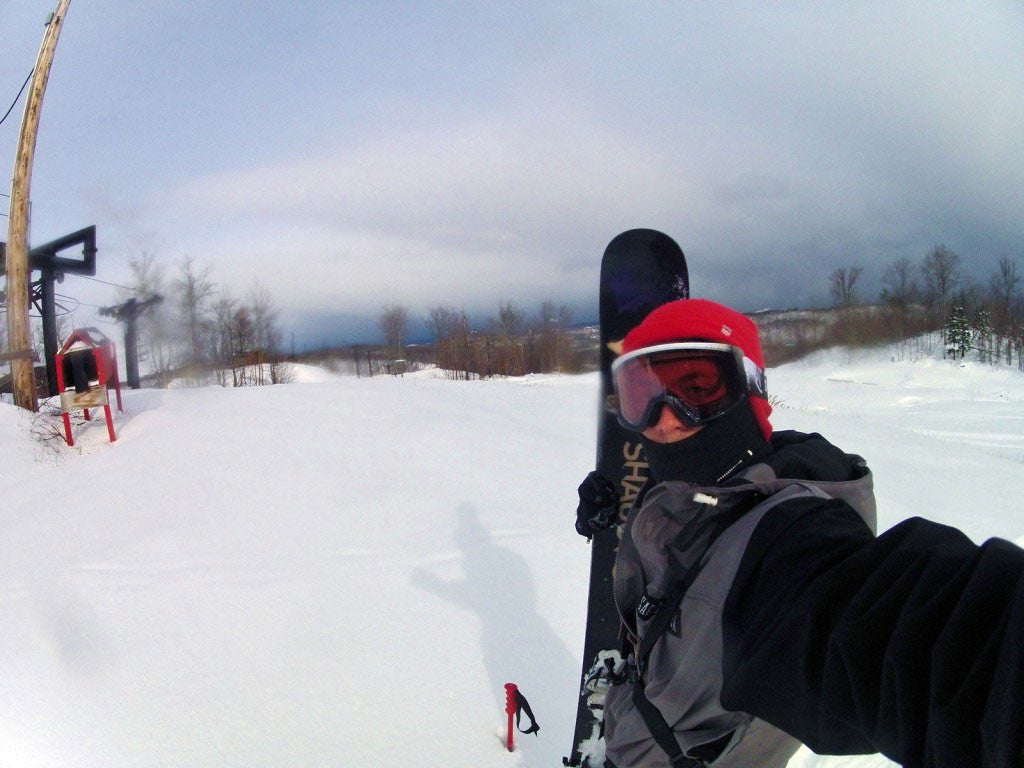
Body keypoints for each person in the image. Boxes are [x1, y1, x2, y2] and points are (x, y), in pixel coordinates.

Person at [575, 298, 1024, 768]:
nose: (664, 418)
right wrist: (625, 501)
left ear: (748, 387)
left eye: (696, 388)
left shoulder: (785, 543)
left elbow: (913, 640)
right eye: (641, 393)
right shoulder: (704, 487)